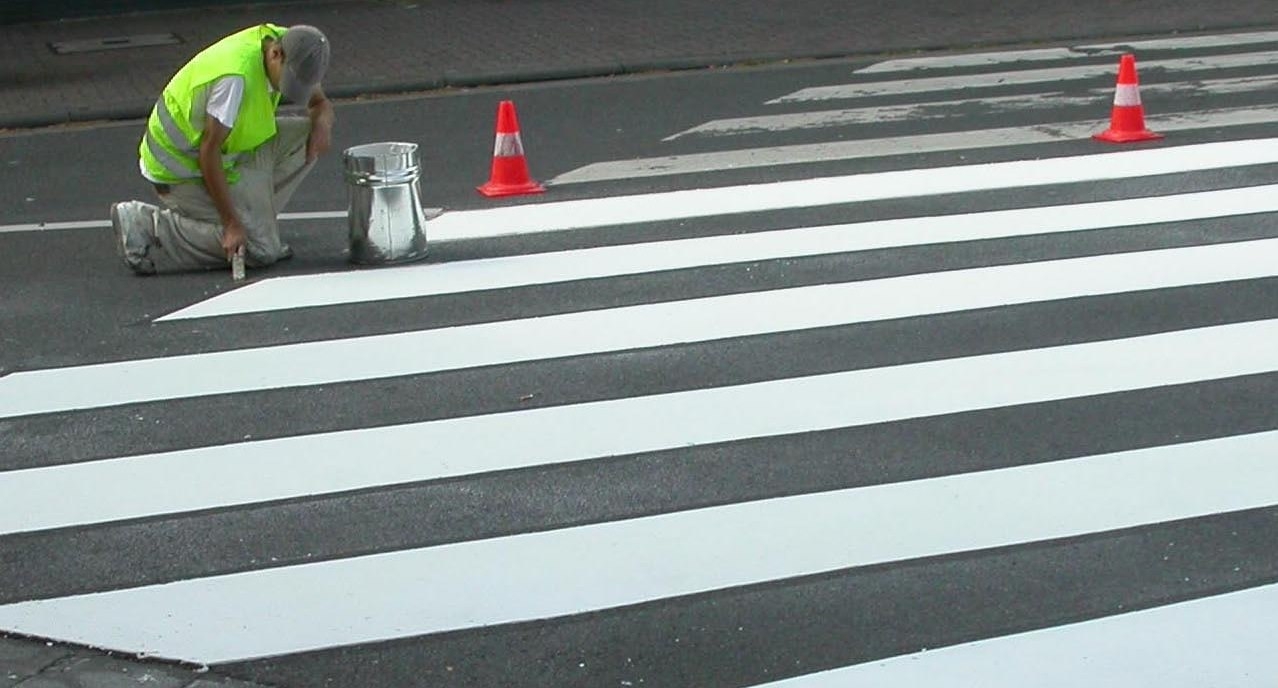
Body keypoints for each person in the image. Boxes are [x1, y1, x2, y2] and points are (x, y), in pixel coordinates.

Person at [110, 23, 334, 275]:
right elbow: (209, 152)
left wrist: (323, 123)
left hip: (232, 154)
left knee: (307, 137)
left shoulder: (294, 46)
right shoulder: (234, 80)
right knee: (261, 251)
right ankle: (148, 224)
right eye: (289, 81)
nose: (289, 90)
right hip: (181, 173)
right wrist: (231, 225)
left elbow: (319, 102)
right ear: (276, 55)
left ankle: (258, 224)